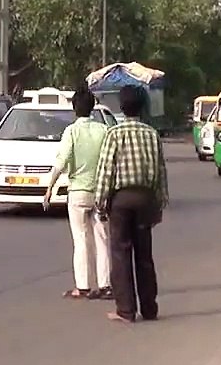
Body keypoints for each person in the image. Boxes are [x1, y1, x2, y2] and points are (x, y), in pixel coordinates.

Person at [93, 85, 168, 323]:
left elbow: (106, 171)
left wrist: (100, 202)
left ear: (122, 107)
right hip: (145, 198)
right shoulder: (151, 134)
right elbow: (160, 171)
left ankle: (125, 309)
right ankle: (149, 308)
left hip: (121, 200)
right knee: (144, 255)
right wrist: (159, 203)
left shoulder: (114, 134)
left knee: (120, 253)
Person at [44, 83, 112, 299]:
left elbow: (61, 162)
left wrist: (49, 189)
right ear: (92, 108)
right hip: (101, 192)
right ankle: (105, 285)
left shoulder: (71, 131)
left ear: (74, 109)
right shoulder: (104, 130)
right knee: (102, 237)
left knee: (81, 239)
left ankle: (82, 286)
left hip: (78, 193)